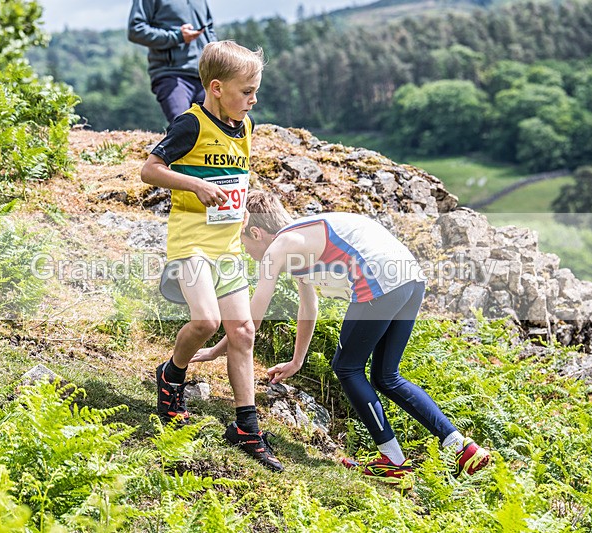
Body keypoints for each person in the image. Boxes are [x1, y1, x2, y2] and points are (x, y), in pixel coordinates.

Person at [192, 191, 491, 484]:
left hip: (378, 277)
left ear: (255, 232)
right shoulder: (300, 239)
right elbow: (309, 306)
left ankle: (393, 461)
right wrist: (297, 360)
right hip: (411, 279)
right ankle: (460, 446)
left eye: (242, 243)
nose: (244, 252)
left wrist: (216, 350)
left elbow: (251, 321)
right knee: (387, 377)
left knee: (347, 367)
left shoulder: (279, 247)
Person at [140, 41, 283, 472]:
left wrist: (239, 208)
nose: (253, 99)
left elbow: (234, 174)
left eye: (256, 91)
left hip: (227, 247)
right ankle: (172, 374)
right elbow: (150, 170)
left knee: (242, 331)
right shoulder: (191, 124)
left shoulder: (247, 126)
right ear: (217, 87)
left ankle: (247, 428)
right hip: (191, 244)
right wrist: (194, 185)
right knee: (205, 321)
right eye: (247, 91)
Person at [128, 0, 217, 123]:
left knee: (217, 127)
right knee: (182, 126)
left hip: (206, 76)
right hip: (171, 75)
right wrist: (177, 37)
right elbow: (135, 30)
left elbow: (209, 30)